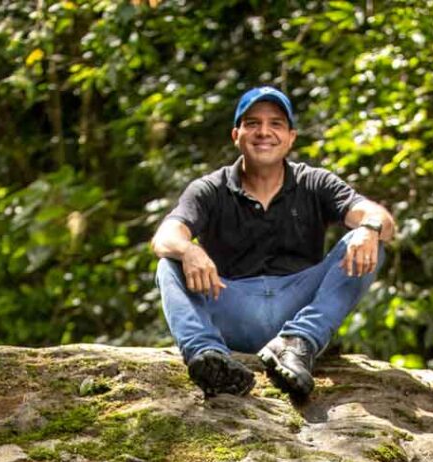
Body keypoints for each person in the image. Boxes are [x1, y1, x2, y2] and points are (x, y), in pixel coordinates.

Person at [151, 85, 396, 400]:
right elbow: (165, 236)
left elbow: (381, 220)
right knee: (169, 262)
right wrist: (188, 248)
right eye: (252, 123)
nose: (263, 132)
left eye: (275, 124)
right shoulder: (209, 189)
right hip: (231, 305)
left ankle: (299, 344)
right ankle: (208, 359)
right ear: (236, 134)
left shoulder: (314, 181)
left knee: (370, 241)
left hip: (297, 306)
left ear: (291, 137)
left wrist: (369, 227)